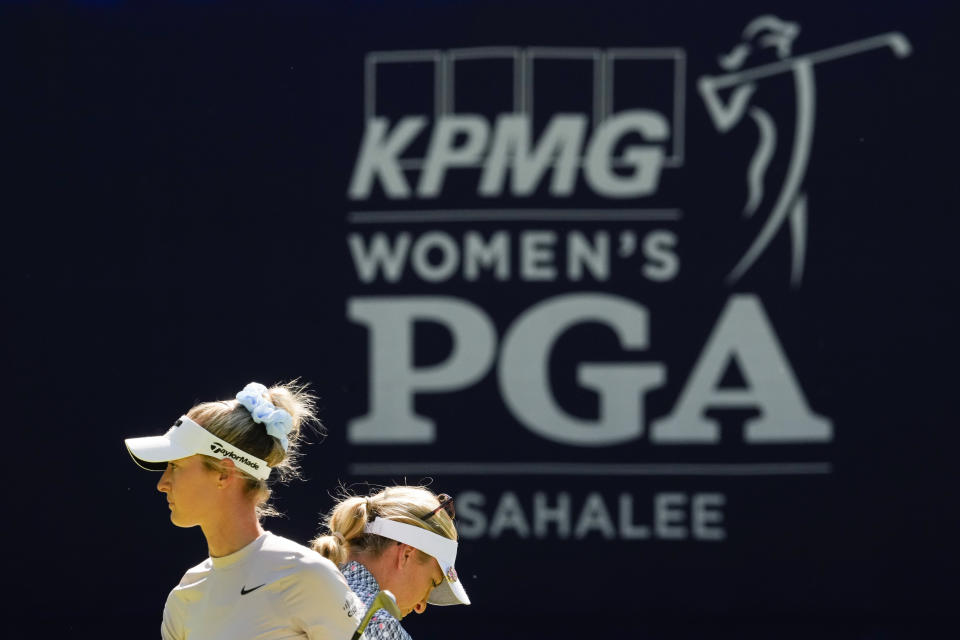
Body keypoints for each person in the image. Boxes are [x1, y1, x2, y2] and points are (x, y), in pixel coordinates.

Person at [124, 381, 363, 640]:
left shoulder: (306, 575)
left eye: (176, 466)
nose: (162, 484)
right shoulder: (185, 596)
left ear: (224, 473)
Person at [311, 486, 471, 640]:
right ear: (406, 555)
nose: (421, 607)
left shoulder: (302, 578)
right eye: (432, 582)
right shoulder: (380, 624)